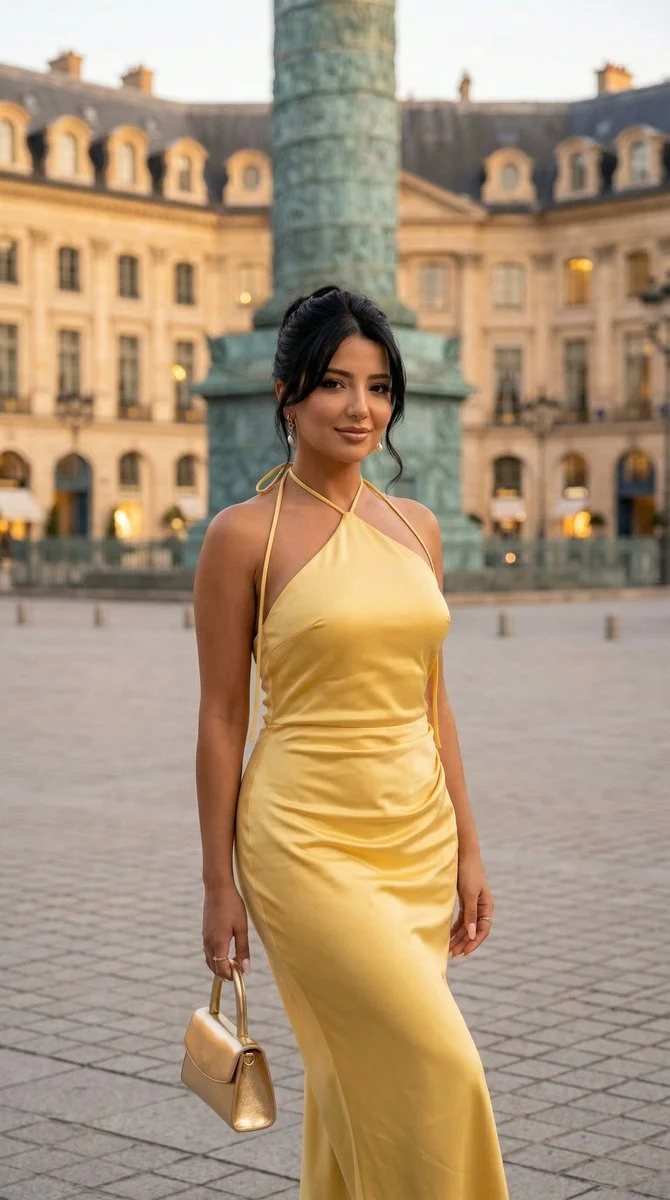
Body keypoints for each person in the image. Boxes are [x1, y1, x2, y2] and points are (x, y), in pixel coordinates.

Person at [193, 285, 509, 1199]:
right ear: (288, 393)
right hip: (303, 841)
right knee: (440, 1067)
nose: (360, 407)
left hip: (416, 835)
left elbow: (433, 700)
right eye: (335, 383)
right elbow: (220, 717)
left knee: (350, 1086)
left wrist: (472, 848)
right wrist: (220, 888)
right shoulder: (241, 536)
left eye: (378, 386)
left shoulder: (418, 528)